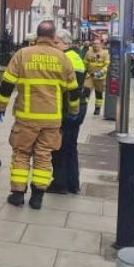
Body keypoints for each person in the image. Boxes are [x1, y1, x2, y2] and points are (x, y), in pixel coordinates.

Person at [0, 20, 79, 210]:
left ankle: (17, 194)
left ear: (37, 35)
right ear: (53, 37)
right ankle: (38, 196)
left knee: (21, 153)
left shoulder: (22, 55)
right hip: (52, 118)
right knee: (44, 155)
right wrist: (74, 111)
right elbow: (73, 89)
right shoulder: (62, 58)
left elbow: (7, 84)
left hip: (26, 117)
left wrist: (0, 106)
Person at [47, 29, 86, 194]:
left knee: (60, 147)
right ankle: (72, 183)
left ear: (66, 44)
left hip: (69, 108)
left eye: (56, 43)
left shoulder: (65, 58)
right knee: (70, 147)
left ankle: (60, 184)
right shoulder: (75, 56)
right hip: (77, 107)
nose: (54, 46)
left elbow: (69, 88)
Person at [84, 39, 110, 115]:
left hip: (100, 77)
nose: (96, 45)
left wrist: (101, 72)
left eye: (97, 43)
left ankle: (97, 108)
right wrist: (84, 72)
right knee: (86, 91)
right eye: (94, 43)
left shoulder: (105, 53)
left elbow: (107, 65)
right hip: (90, 76)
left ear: (101, 44)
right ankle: (84, 107)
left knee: (98, 93)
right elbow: (85, 63)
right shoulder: (88, 53)